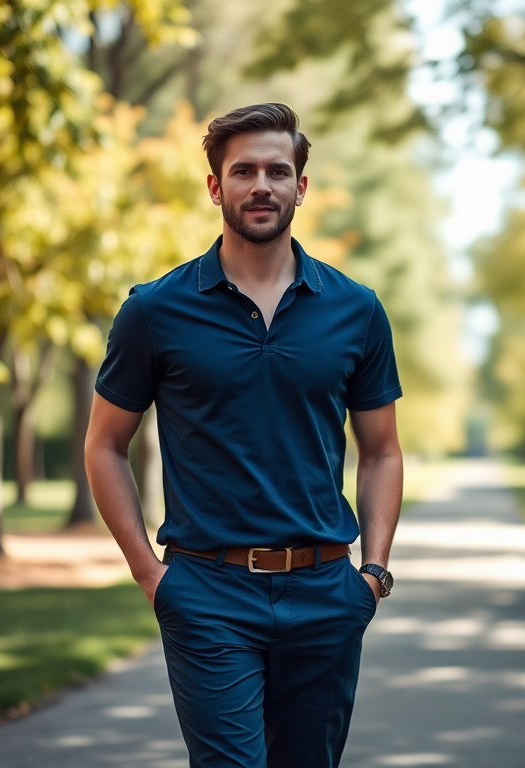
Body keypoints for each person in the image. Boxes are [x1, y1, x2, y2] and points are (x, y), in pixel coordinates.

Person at [85, 102, 403, 768]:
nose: (262, 184)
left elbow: (381, 452)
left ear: (300, 188)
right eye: (244, 170)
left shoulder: (356, 310)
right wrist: (151, 576)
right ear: (215, 187)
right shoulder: (155, 310)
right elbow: (104, 445)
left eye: (278, 171)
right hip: (207, 594)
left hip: (325, 592)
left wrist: (371, 574)